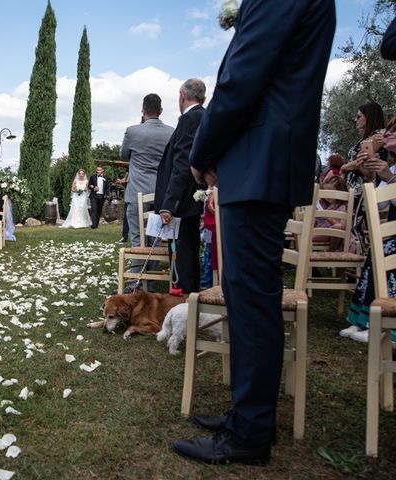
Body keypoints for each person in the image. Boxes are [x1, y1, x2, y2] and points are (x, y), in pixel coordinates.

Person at [178, 0, 336, 465]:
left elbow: (242, 75)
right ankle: (245, 417)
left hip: (260, 157)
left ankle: (249, 434)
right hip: (267, 157)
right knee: (250, 298)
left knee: (252, 300)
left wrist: (202, 149)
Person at [341, 122, 396, 343]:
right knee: (381, 251)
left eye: (394, 130)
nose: (387, 133)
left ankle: (385, 325)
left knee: (388, 250)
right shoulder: (392, 168)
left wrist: (390, 179)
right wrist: (370, 177)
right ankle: (367, 321)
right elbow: (379, 206)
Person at [155, 78, 206, 295]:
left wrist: (169, 203)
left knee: (181, 253)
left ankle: (184, 301)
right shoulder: (204, 117)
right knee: (188, 251)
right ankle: (189, 298)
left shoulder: (190, 119)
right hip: (191, 197)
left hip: (182, 201)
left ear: (181, 95)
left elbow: (182, 163)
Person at [120, 94, 175, 288]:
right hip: (162, 195)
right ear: (161, 111)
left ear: (143, 110)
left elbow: (124, 155)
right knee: (157, 239)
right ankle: (150, 280)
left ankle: (136, 282)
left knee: (137, 238)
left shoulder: (133, 131)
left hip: (137, 192)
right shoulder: (172, 132)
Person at [340, 101, 387, 255]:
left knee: (355, 224)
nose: (356, 119)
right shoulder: (367, 137)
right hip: (356, 187)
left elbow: (363, 160)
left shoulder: (378, 135)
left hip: (364, 186)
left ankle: (360, 259)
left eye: (359, 116)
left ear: (369, 117)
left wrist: (345, 166)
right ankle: (361, 260)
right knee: (355, 223)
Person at [313, 174, 348, 252]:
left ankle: (331, 251)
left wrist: (328, 217)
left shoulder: (343, 207)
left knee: (338, 227)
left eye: (331, 192)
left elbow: (343, 226)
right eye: (325, 192)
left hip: (334, 235)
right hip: (318, 231)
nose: (328, 196)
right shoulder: (320, 204)